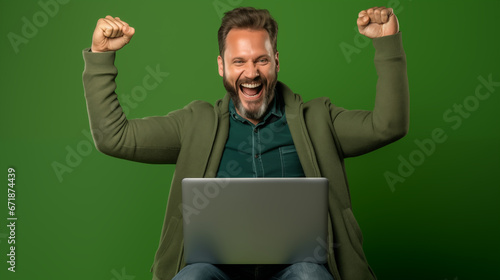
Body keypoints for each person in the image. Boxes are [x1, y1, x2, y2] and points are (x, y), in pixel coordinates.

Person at [82, 6, 408, 280]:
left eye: (261, 60)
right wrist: (101, 58)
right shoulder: (195, 122)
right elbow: (115, 137)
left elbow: (388, 126)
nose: (250, 72)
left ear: (276, 62)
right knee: (193, 277)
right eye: (239, 61)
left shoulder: (319, 119)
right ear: (222, 66)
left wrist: (388, 44)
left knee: (309, 275)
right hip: (215, 269)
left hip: (299, 267)